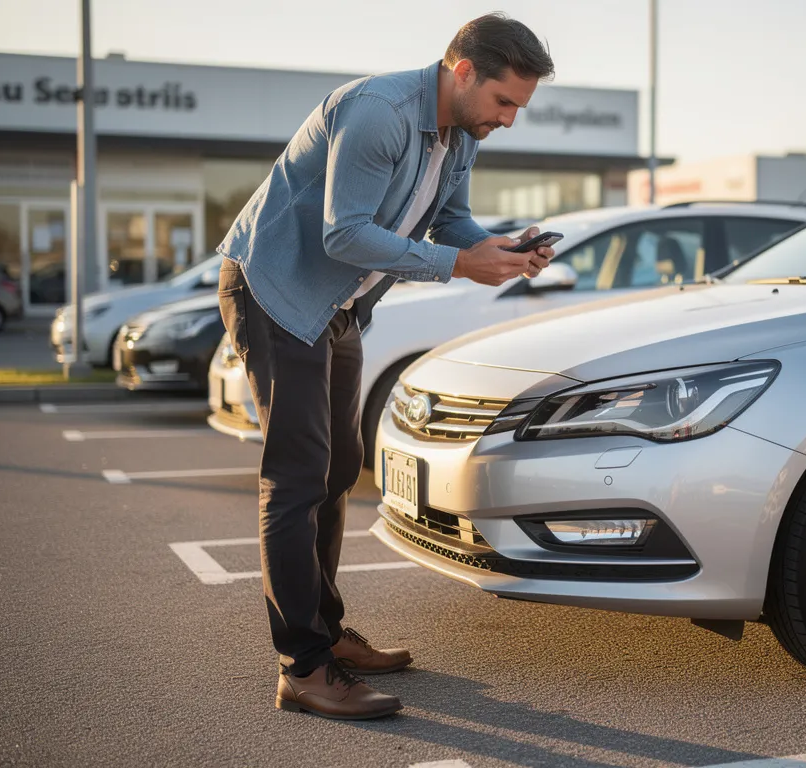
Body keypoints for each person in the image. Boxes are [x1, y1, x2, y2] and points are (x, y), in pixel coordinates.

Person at [214, 13, 556, 720]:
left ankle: (330, 637)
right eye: (504, 102)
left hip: (336, 304)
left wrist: (499, 246)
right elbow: (345, 232)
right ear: (463, 72)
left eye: (519, 107)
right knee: (298, 477)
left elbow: (446, 220)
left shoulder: (461, 132)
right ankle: (303, 667)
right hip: (277, 290)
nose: (510, 120)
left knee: (340, 468)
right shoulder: (379, 113)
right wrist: (459, 265)